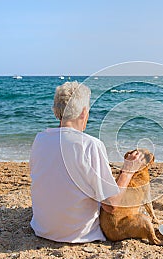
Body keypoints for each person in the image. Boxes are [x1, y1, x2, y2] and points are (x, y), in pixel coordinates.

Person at [30, 81, 144, 243]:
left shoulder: (40, 139)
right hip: (77, 233)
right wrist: (128, 170)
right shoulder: (90, 144)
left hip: (43, 227)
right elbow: (111, 204)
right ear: (84, 112)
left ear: (57, 112)